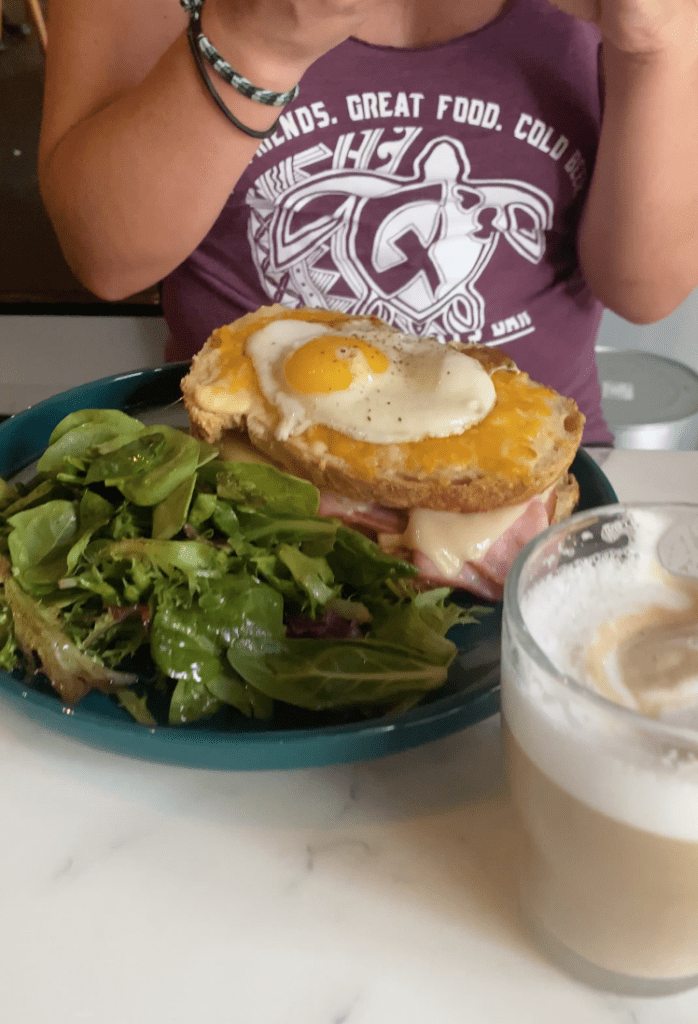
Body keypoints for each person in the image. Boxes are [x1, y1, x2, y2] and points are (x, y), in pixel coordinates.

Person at [38, 0, 698, 444]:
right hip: (245, 488)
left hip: (531, 479)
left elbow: (646, 290)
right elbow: (106, 257)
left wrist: (654, 45)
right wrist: (255, 43)